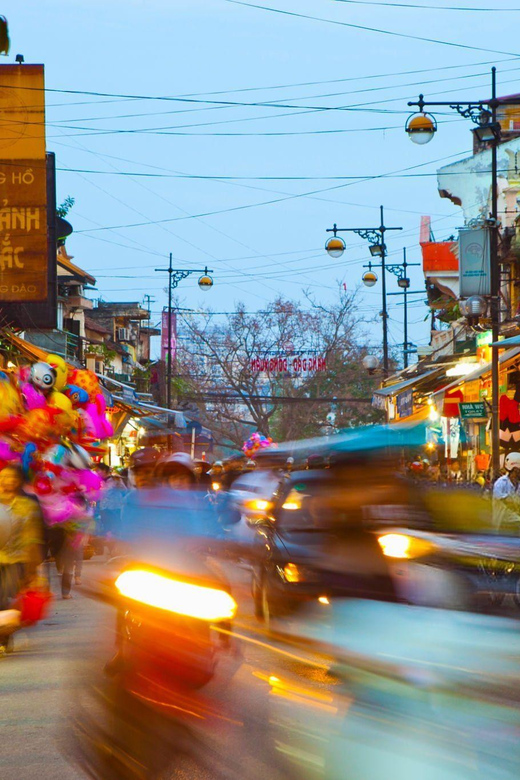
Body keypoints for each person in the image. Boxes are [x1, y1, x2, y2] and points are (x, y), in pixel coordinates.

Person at [0, 465, 44, 652]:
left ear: (17, 481)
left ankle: (3, 638)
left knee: (6, 602)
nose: (4, 480)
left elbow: (32, 538)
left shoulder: (27, 507)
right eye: (2, 477)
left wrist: (33, 569)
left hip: (16, 562)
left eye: (9, 477)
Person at [493, 451, 520, 532]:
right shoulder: (501, 483)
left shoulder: (518, 484)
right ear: (516, 469)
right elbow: (509, 502)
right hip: (503, 524)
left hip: (516, 521)